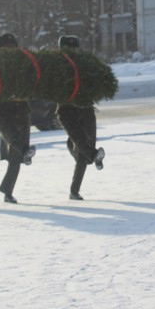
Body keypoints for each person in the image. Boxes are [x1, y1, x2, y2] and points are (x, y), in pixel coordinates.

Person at [55, 35, 104, 200]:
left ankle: (74, 190)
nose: (72, 51)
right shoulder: (56, 66)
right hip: (67, 110)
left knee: (84, 147)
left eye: (74, 48)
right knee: (82, 144)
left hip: (85, 109)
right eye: (68, 48)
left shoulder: (85, 65)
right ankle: (93, 156)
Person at [0, 33, 37, 203]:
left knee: (15, 157)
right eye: (6, 47)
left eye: (12, 46)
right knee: (13, 138)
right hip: (3, 108)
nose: (10, 49)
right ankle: (25, 151)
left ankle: (7, 191)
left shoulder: (23, 63)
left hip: (22, 108)